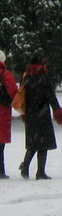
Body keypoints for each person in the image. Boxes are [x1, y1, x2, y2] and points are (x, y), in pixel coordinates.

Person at [19, 54, 62, 180]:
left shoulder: (26, 76)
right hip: (42, 113)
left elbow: (23, 94)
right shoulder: (43, 77)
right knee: (43, 143)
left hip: (30, 113)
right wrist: (57, 110)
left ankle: (25, 167)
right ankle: (40, 172)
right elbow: (51, 95)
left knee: (33, 143)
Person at [0, 50, 18, 179]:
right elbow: (13, 92)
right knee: (0, 144)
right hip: (2, 111)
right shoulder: (5, 74)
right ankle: (0, 170)